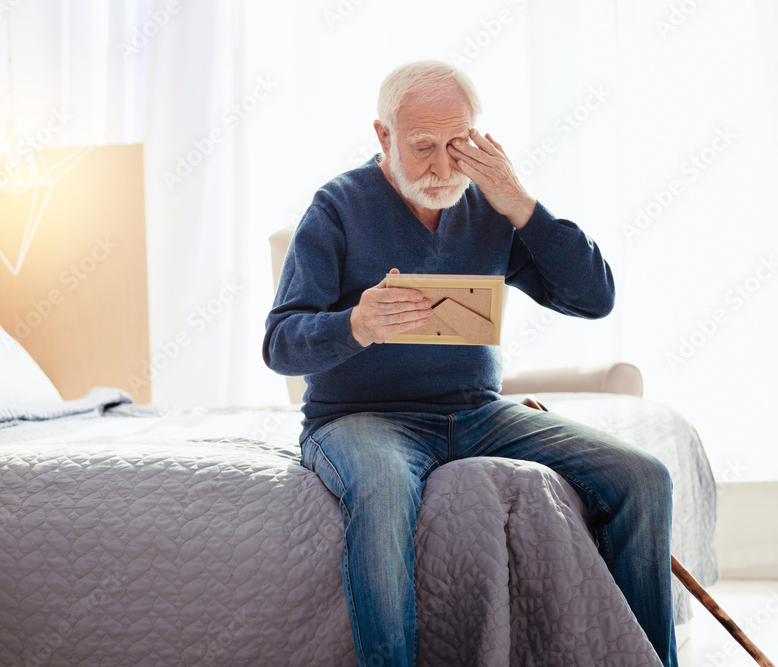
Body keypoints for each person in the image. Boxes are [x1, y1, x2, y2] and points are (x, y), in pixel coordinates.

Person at [262, 60, 676, 667]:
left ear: (479, 136)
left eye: (456, 145)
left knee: (643, 477)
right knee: (378, 492)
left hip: (477, 413)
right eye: (421, 147)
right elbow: (280, 344)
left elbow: (594, 298)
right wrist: (356, 324)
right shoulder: (338, 206)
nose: (439, 167)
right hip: (361, 418)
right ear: (383, 137)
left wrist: (522, 206)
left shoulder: (488, 205)